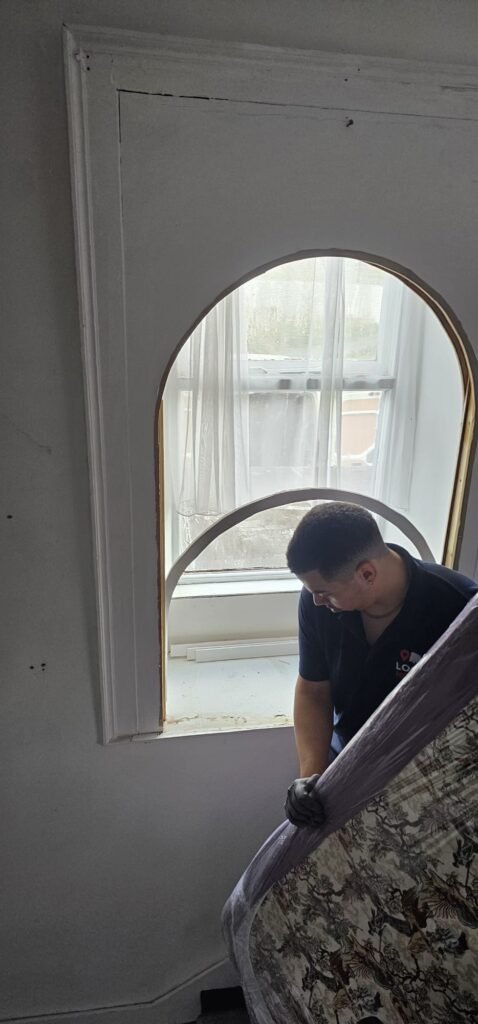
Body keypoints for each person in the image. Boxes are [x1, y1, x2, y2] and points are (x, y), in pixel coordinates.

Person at [284, 501, 478, 829]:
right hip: (345, 768)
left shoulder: (459, 608)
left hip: (427, 785)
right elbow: (314, 691)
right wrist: (312, 779)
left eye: (325, 593)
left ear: (367, 573)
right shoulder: (318, 604)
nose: (317, 601)